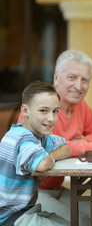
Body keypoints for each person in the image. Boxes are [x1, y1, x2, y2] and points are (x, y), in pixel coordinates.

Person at [18, 49, 92, 225]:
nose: (78, 85)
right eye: (72, 77)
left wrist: (81, 142)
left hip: (56, 188)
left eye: (85, 80)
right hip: (30, 192)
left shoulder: (81, 107)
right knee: (81, 222)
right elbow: (45, 148)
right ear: (56, 78)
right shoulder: (39, 107)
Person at [0, 81, 72, 226]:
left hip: (24, 210)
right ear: (25, 110)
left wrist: (49, 156)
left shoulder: (38, 137)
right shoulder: (22, 138)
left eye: (55, 111)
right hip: (10, 216)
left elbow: (67, 148)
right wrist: (47, 158)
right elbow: (42, 165)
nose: (51, 118)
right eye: (43, 111)